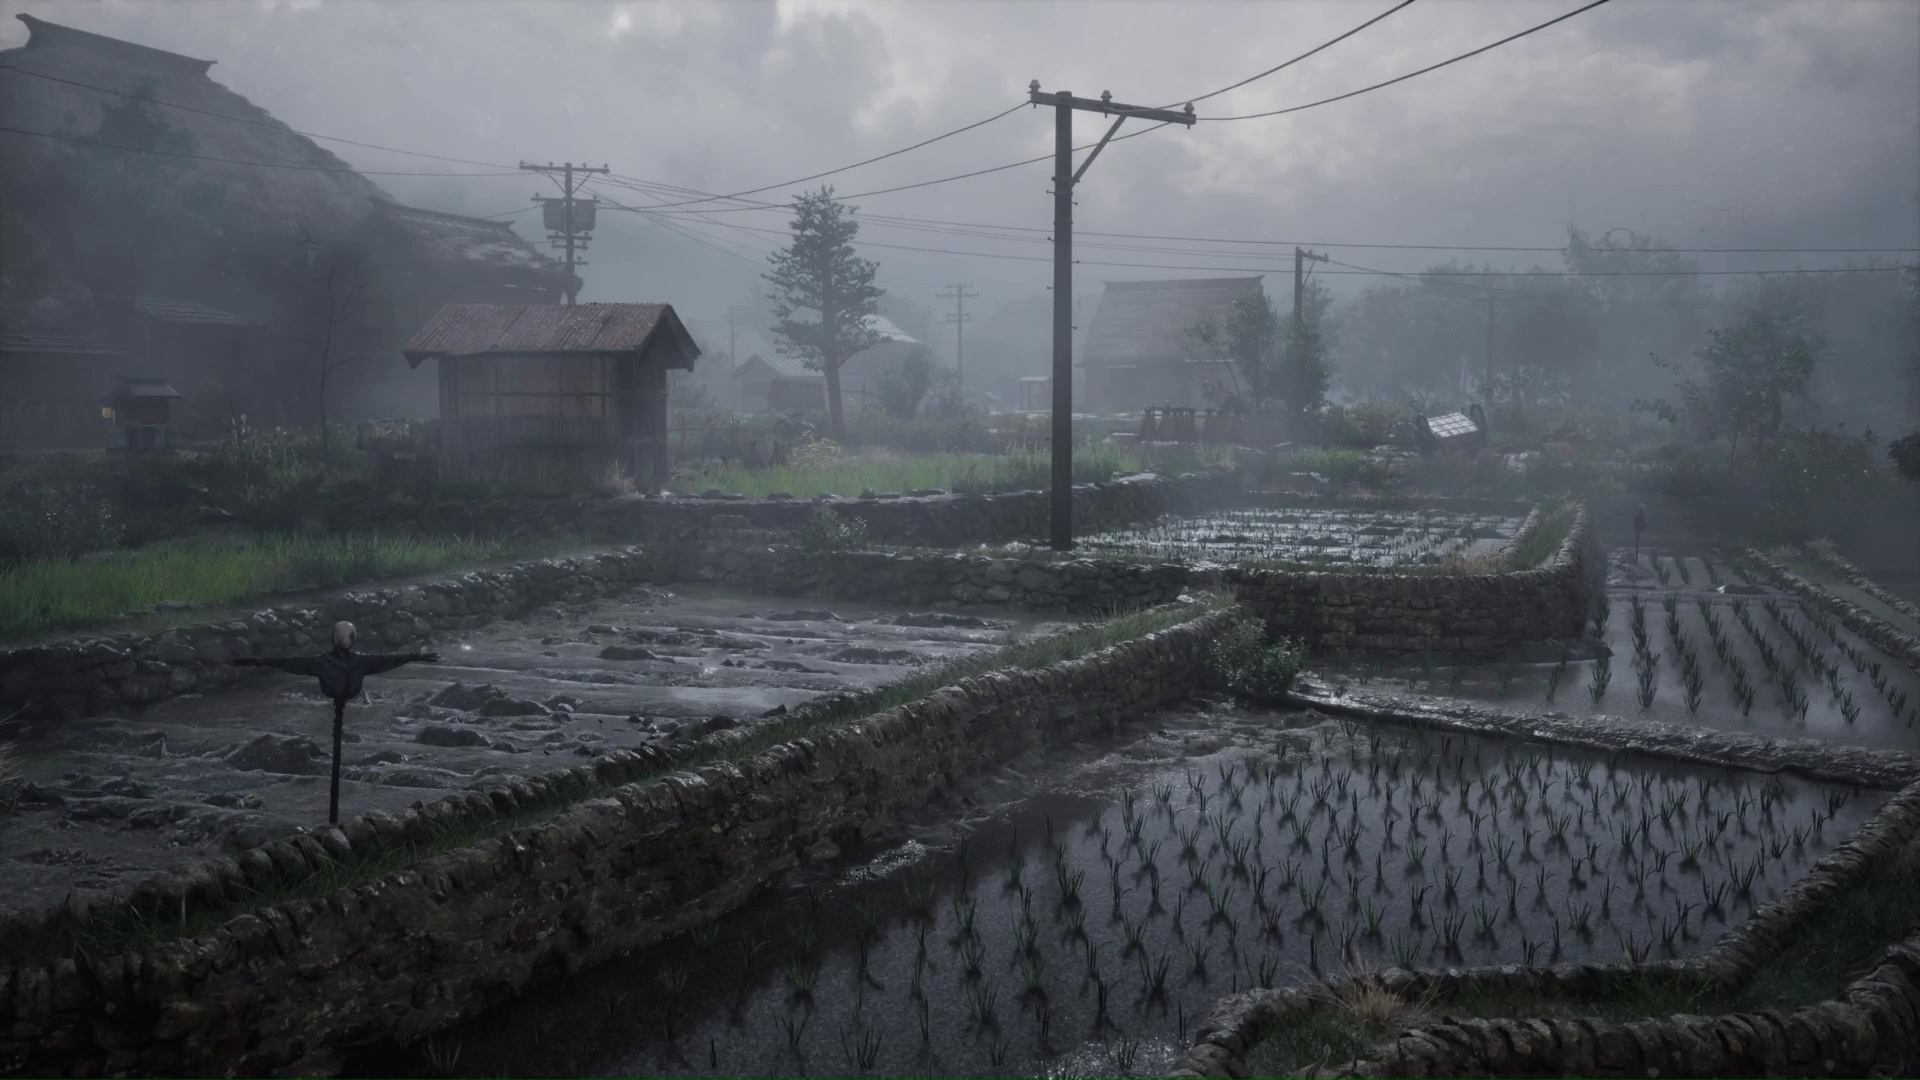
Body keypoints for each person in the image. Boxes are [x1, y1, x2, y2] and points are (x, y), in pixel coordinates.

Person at [236, 621, 439, 824]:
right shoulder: (359, 661)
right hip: (341, 701)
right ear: (353, 639)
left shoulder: (324, 661)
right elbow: (387, 660)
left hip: (338, 701)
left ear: (332, 638)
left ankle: (332, 822)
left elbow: (290, 662)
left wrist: (260, 661)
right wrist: (416, 656)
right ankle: (333, 822)